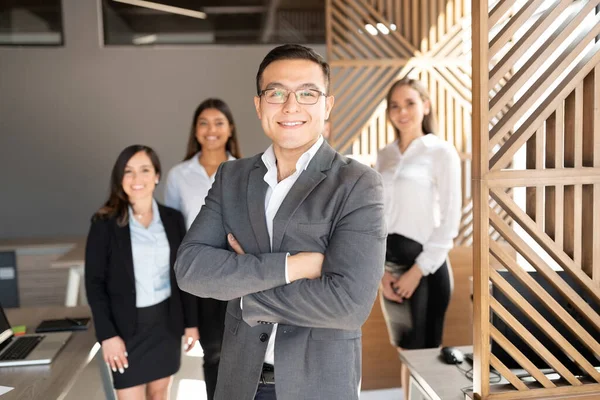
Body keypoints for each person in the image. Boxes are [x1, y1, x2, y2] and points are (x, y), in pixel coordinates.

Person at [175, 44, 386, 400]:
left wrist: (245, 295)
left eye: (307, 93)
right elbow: (190, 268)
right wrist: (294, 266)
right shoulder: (233, 177)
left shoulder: (357, 183)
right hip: (238, 384)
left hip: (317, 386)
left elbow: (349, 305)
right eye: (276, 93)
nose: (291, 106)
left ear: (327, 105)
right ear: (258, 105)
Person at [85, 145, 199, 400]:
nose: (137, 179)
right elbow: (94, 284)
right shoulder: (104, 224)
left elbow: (183, 275)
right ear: (120, 178)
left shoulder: (173, 219)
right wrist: (108, 336)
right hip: (124, 329)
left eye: (145, 170)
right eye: (129, 171)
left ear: (156, 175)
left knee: (159, 394)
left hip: (166, 324)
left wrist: (191, 323)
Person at [375, 78, 461, 399]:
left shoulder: (441, 151)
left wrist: (417, 270)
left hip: (424, 270)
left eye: (410, 103)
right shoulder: (384, 156)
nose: (402, 112)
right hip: (389, 271)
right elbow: (377, 219)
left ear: (425, 105)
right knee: (405, 353)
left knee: (425, 356)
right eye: (395, 105)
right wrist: (380, 272)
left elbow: (450, 219)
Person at [165, 98, 241, 400]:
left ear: (230, 128)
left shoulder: (244, 170)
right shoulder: (178, 175)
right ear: (195, 131)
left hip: (238, 274)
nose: (212, 130)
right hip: (199, 276)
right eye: (204, 123)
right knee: (213, 353)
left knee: (245, 354)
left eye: (219, 122)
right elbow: (174, 233)